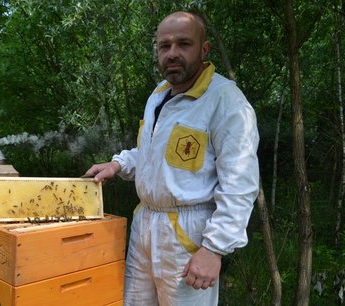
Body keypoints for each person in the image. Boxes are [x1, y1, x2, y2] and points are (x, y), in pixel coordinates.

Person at [84, 11, 259, 305]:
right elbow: (151, 152)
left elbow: (240, 184)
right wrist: (118, 164)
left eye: (183, 44)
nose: (172, 53)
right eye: (164, 46)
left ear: (204, 49)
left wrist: (213, 249)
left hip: (189, 236)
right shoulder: (159, 94)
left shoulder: (226, 102)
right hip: (145, 226)